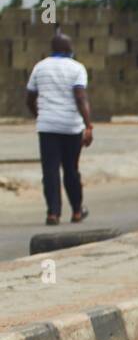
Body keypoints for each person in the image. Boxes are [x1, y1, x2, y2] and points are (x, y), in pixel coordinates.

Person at [25, 33, 93, 226]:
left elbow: (29, 98)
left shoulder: (40, 67)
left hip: (47, 127)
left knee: (50, 170)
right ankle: (77, 211)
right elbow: (80, 98)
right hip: (71, 127)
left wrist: (40, 115)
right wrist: (88, 125)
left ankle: (53, 213)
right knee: (71, 169)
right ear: (68, 49)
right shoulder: (77, 68)